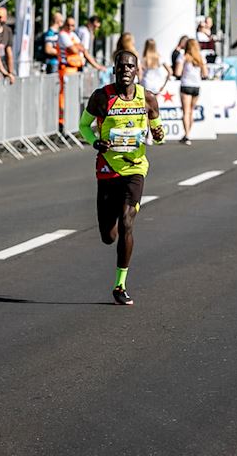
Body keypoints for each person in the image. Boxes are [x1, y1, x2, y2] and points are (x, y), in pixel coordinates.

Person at [79, 49, 165, 306]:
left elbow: (157, 130)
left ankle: (120, 285)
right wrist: (96, 142)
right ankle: (112, 221)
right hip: (107, 169)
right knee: (108, 235)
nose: (126, 70)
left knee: (128, 222)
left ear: (137, 70)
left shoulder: (147, 98)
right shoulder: (101, 98)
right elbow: (84, 126)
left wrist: (159, 135)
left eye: (130, 66)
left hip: (135, 169)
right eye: (121, 66)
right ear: (114, 69)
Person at [176, 38, 208, 145]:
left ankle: (187, 134)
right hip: (196, 86)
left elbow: (178, 72)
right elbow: (205, 74)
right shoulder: (200, 57)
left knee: (186, 111)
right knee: (191, 111)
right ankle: (188, 133)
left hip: (186, 85)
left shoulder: (183, 57)